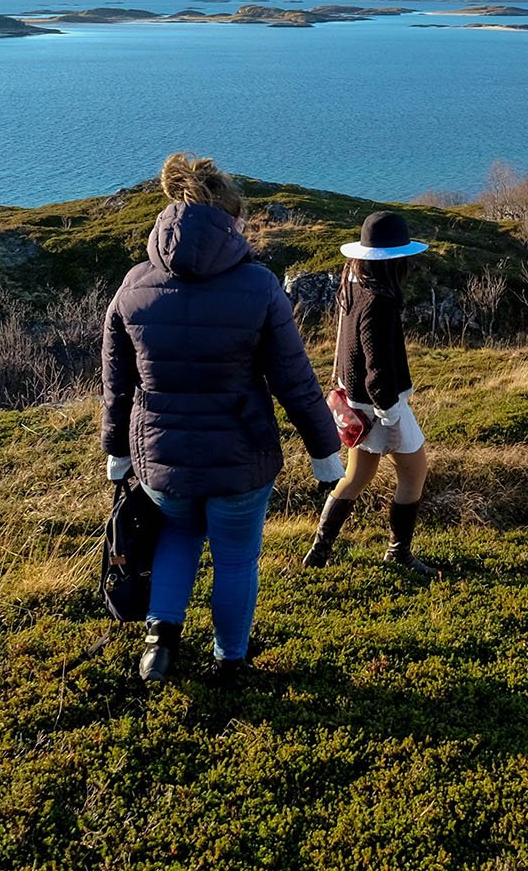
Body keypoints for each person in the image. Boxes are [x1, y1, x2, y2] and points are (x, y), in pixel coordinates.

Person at [101, 153, 344, 684]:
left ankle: (159, 647)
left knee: (177, 540)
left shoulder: (133, 285)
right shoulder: (258, 286)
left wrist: (117, 452)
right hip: (240, 455)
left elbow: (117, 385)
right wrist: (325, 453)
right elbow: (295, 382)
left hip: (161, 459)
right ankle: (229, 660)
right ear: (232, 219)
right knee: (235, 561)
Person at [303, 210, 438, 575]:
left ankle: (319, 551)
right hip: (381, 404)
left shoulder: (352, 281)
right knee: (413, 476)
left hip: (355, 402)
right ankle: (399, 553)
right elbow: (378, 369)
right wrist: (391, 416)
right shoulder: (381, 300)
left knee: (356, 477)